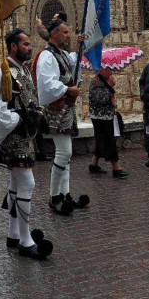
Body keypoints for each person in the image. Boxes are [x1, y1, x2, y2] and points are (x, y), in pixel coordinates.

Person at [0, 28, 54, 258]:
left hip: (27, 134)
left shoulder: (23, 70)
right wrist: (15, 119)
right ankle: (25, 239)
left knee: (15, 182)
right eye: (25, 44)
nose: (30, 47)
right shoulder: (4, 72)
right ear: (13, 46)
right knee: (27, 183)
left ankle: (13, 233)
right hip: (15, 136)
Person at [35, 15, 89, 215]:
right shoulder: (47, 55)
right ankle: (54, 195)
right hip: (57, 110)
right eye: (65, 32)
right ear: (54, 33)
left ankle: (65, 194)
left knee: (67, 154)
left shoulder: (62, 54)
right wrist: (67, 90)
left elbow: (74, 64)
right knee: (63, 152)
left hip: (67, 109)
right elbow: (47, 83)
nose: (68, 35)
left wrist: (80, 45)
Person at [88, 67, 128, 178]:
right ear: (101, 70)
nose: (110, 72)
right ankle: (116, 168)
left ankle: (93, 164)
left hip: (107, 115)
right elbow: (99, 99)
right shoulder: (96, 81)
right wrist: (110, 86)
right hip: (100, 117)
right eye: (108, 70)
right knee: (110, 140)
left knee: (101, 139)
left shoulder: (105, 81)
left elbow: (109, 97)